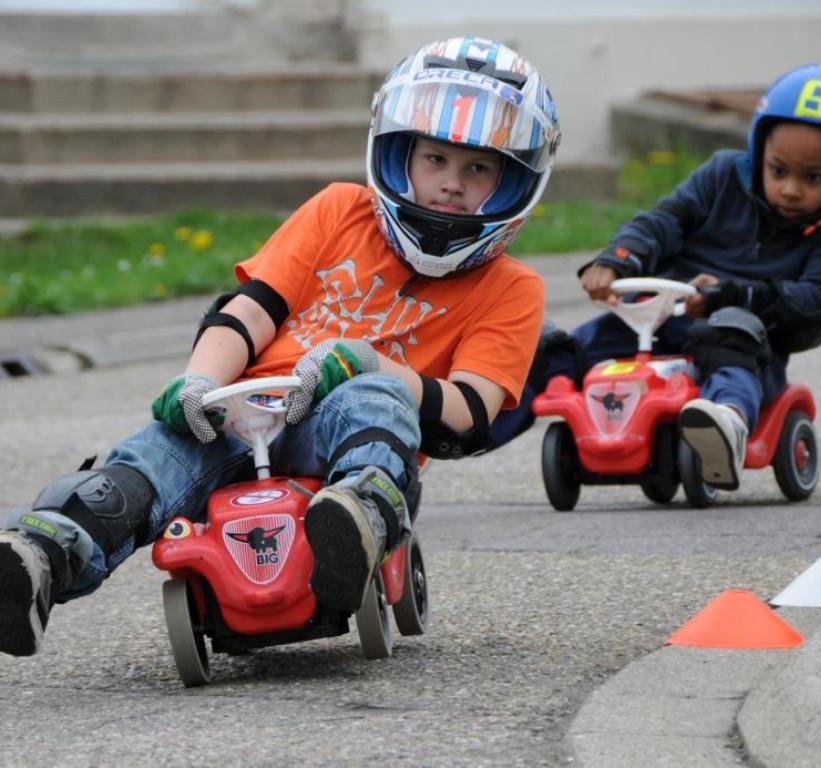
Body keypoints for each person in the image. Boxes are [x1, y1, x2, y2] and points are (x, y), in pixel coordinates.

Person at [0, 36, 561, 657]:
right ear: (399, 154)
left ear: (515, 181)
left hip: (344, 436)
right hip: (248, 410)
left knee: (370, 395)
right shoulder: (337, 210)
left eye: (477, 168)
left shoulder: (512, 287)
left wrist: (370, 364)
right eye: (435, 159)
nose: (451, 185)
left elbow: (473, 412)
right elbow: (247, 313)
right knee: (151, 459)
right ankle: (40, 558)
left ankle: (357, 522)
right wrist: (199, 384)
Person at [491, 62, 821, 492]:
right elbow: (663, 221)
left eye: (814, 177)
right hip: (662, 321)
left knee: (730, 346)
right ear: (760, 150)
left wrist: (730, 296)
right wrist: (618, 260)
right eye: (779, 170)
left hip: (746, 340)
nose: (790, 189)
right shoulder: (722, 176)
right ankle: (476, 423)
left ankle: (724, 421)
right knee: (572, 350)